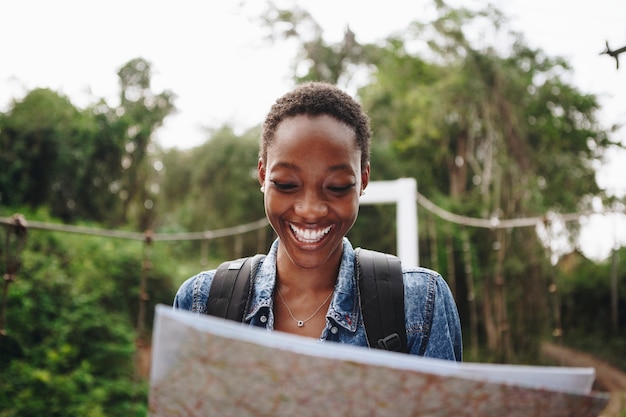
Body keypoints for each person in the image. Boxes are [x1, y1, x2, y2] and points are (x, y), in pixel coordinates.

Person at [173, 82, 462, 361]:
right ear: (263, 175)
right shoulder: (200, 303)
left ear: (363, 180)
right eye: (286, 184)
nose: (310, 210)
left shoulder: (420, 304)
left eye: (336, 186)